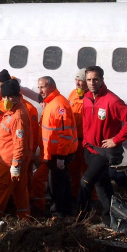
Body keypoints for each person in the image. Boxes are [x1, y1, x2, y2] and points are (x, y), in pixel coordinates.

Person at [79, 66, 127, 222]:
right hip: (90, 149)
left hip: (103, 152)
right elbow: (86, 122)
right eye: (89, 80)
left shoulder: (111, 100)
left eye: (95, 79)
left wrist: (116, 140)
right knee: (102, 184)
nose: (92, 83)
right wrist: (85, 141)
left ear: (102, 80)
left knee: (85, 182)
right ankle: (110, 219)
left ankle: (81, 218)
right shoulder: (86, 98)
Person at [32, 76, 78, 216]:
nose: (40, 91)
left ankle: (58, 213)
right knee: (60, 182)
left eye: (43, 87)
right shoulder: (52, 103)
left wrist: (61, 157)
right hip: (54, 153)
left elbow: (65, 133)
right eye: (39, 87)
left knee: (57, 184)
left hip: (58, 154)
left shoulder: (58, 105)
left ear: (52, 87)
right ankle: (64, 210)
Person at [0, 79, 31, 220]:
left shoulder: (17, 116)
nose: (7, 100)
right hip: (14, 161)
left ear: (17, 96)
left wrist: (15, 164)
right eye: (4, 97)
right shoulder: (13, 111)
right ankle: (24, 217)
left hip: (10, 162)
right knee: (19, 191)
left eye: (10, 97)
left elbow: (20, 143)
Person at [68, 69, 88, 200]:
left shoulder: (93, 97)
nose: (77, 83)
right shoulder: (73, 94)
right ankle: (74, 195)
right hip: (74, 140)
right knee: (73, 170)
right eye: (76, 80)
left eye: (80, 80)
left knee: (88, 172)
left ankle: (92, 199)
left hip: (86, 141)